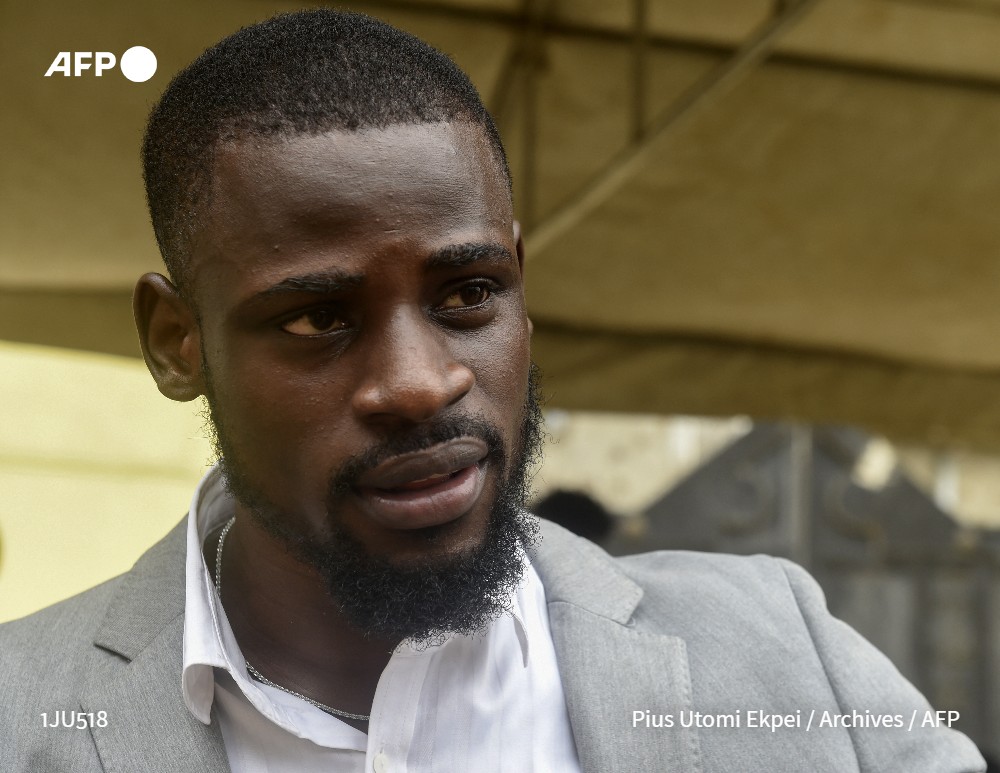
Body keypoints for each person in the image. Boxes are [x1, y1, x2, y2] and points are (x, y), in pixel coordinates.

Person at [0, 10, 986, 772]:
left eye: (468, 294)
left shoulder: (782, 650)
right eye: (316, 319)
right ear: (177, 344)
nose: (420, 382)